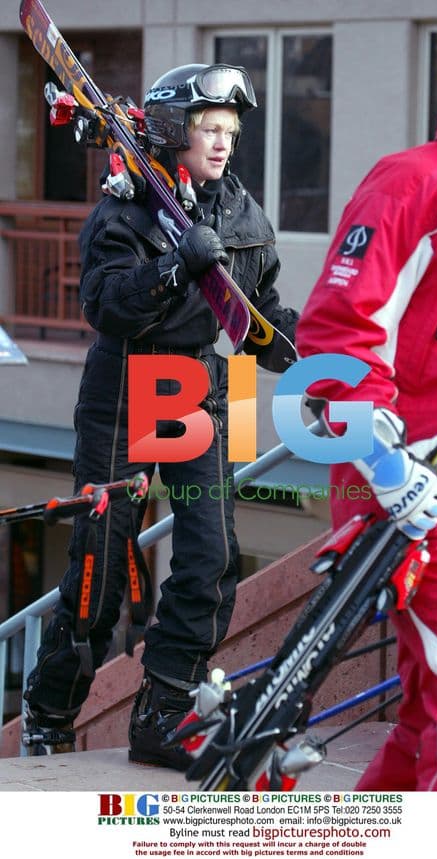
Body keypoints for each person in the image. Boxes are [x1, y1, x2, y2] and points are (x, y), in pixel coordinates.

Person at [23, 63, 298, 768]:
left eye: (229, 132)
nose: (221, 143)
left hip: (210, 379)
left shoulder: (244, 215)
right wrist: (174, 268)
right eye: (208, 129)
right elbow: (106, 305)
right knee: (98, 566)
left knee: (211, 557)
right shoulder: (125, 209)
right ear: (175, 130)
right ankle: (50, 713)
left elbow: (260, 319)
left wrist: (315, 344)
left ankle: (163, 711)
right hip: (128, 377)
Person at [296, 0, 437, 791]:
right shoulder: (416, 184)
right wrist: (384, 467)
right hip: (429, 505)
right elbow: (335, 349)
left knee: (426, 723)